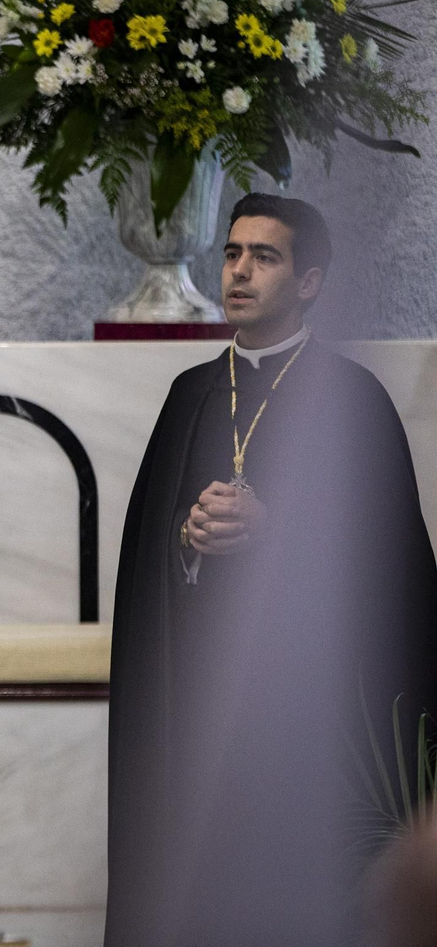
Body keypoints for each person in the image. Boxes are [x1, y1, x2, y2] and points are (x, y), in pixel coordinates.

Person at [106, 194, 437, 946]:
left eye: (265, 256)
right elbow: (146, 562)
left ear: (312, 282)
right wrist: (186, 541)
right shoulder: (190, 394)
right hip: (198, 704)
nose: (240, 271)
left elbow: (394, 566)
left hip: (313, 712)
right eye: (231, 253)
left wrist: (276, 535)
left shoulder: (354, 399)